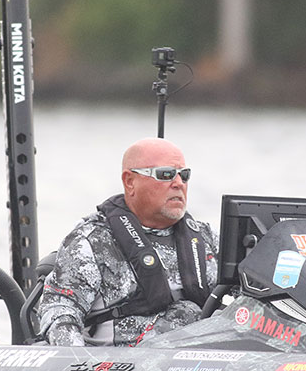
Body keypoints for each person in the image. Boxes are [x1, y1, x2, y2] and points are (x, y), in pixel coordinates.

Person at [38, 137, 218, 346]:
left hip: (201, 353)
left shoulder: (207, 238)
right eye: (166, 174)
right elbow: (59, 312)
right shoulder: (91, 242)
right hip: (125, 359)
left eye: (184, 175)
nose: (178, 183)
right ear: (130, 181)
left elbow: (248, 300)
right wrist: (78, 359)